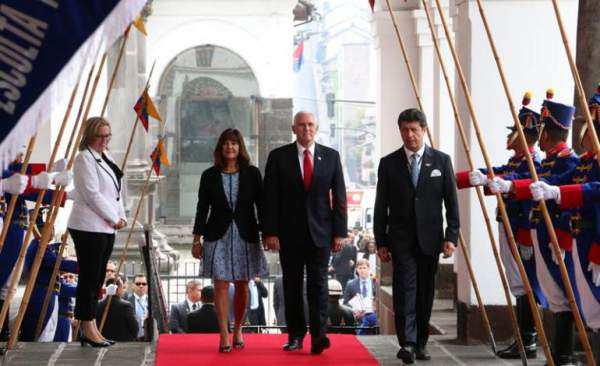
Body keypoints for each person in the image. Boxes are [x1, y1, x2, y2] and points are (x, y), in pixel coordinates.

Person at [456, 92, 546, 359]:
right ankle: (523, 337)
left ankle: (528, 339)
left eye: (513, 133)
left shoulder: (534, 161)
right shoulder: (517, 160)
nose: (509, 138)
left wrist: (493, 179)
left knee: (527, 283)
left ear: (524, 135)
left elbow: (518, 179)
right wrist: (474, 176)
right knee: (518, 283)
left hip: (523, 230)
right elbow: (502, 170)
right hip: (509, 227)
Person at [492, 99, 579, 365]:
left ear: (549, 132)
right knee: (547, 291)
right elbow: (528, 179)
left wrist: (511, 187)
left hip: (553, 234)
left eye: (542, 129)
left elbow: (554, 188)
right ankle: (543, 346)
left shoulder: (567, 161)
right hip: (538, 231)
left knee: (559, 293)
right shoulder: (549, 160)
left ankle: (558, 352)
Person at [374, 108, 459, 364]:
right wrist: (382, 241)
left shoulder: (441, 161)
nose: (409, 135)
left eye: (414, 130)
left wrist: (451, 236)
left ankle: (421, 341)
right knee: (404, 290)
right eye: (404, 130)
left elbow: (451, 203)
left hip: (431, 239)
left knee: (424, 292)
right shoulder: (388, 163)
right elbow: (381, 205)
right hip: (400, 239)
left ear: (423, 130)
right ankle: (407, 343)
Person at [263, 111, 347, 354]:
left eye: (310, 125)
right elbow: (270, 198)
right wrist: (270, 232)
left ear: (316, 128)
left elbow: (339, 197)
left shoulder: (331, 157)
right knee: (291, 285)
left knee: (319, 285)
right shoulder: (278, 157)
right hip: (288, 235)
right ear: (293, 129)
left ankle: (319, 336)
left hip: (321, 233)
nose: (306, 129)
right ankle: (296, 335)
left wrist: (339, 232)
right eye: (301, 125)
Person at [192, 128, 267, 352]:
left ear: (240, 146)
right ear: (220, 147)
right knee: (221, 285)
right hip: (217, 235)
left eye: (234, 143)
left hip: (246, 235)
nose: (230, 147)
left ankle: (238, 330)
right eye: (226, 143)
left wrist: (267, 234)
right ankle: (224, 333)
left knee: (243, 285)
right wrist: (197, 239)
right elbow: (201, 208)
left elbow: (261, 206)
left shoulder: (253, 173)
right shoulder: (209, 175)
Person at [67, 116, 127, 348]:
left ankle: (90, 325)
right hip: (88, 225)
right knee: (90, 278)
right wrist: (113, 218)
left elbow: (115, 191)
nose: (104, 140)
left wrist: (121, 216)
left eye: (107, 136)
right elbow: (92, 194)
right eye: (99, 136)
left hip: (106, 226)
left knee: (98, 276)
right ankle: (87, 325)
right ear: (90, 136)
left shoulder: (106, 157)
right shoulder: (84, 159)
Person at [20, 213, 78, 342]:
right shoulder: (38, 247)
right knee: (41, 335)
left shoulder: (43, 246)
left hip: (49, 293)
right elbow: (56, 262)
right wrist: (81, 267)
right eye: (50, 228)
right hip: (42, 294)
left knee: (47, 334)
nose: (52, 231)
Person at [96, 277, 138, 342]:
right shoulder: (126, 306)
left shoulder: (98, 305)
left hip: (103, 343)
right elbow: (135, 329)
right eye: (122, 288)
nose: (123, 291)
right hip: (123, 345)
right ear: (117, 289)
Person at [343, 259, 377, 335]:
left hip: (373, 313)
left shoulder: (375, 283)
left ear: (369, 269)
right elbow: (345, 303)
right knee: (364, 320)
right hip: (358, 315)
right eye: (360, 268)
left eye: (364, 268)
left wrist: (375, 307)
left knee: (370, 319)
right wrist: (354, 310)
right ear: (357, 270)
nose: (362, 270)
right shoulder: (350, 284)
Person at [54, 272, 77, 342]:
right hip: (61, 320)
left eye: (71, 277)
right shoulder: (62, 286)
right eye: (65, 277)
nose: (68, 279)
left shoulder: (75, 287)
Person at [125, 273, 148, 340]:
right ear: (132, 286)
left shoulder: (153, 302)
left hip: (148, 339)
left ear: (147, 286)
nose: (141, 286)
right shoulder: (126, 302)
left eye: (144, 284)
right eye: (138, 284)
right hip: (132, 340)